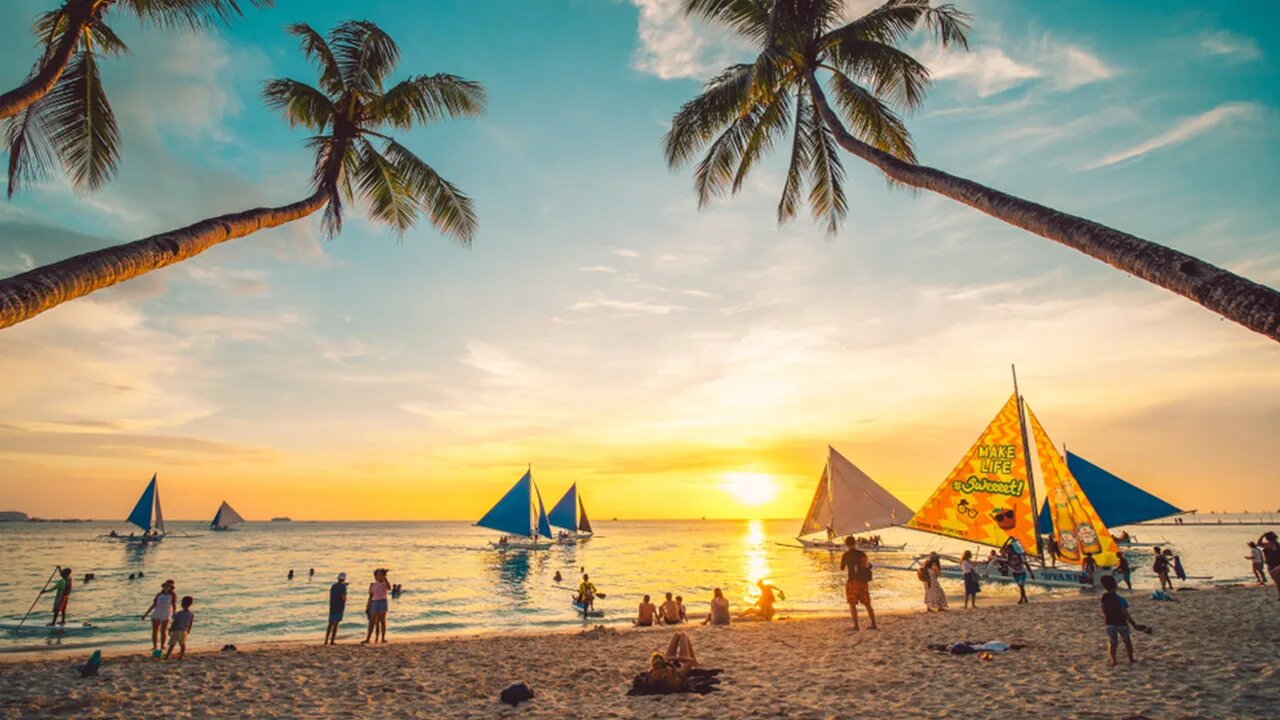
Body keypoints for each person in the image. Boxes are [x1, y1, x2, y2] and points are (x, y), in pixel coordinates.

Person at [1100, 575, 1144, 666]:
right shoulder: (1120, 599)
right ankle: (1131, 659)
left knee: (1113, 643)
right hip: (1121, 622)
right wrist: (1133, 623)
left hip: (1110, 623)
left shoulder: (1104, 598)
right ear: (1116, 586)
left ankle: (1114, 660)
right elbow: (1125, 613)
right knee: (1127, 641)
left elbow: (1103, 610)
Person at [841, 536, 877, 629]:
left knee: (852, 604)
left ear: (846, 544)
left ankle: (856, 625)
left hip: (852, 581)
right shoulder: (862, 554)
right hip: (862, 582)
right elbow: (866, 565)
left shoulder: (845, 555)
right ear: (855, 543)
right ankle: (873, 624)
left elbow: (842, 568)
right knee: (867, 603)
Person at [142, 580, 178, 651]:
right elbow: (154, 605)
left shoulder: (172, 595)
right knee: (155, 631)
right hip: (157, 613)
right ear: (163, 586)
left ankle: (162, 646)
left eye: (168, 586)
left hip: (166, 613)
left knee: (163, 631)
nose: (167, 587)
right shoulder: (159, 595)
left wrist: (174, 613)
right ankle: (155, 646)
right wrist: (146, 614)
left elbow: (174, 605)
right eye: (165, 586)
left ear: (171, 587)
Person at [363, 568, 391, 644]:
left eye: (381, 575)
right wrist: (368, 606)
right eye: (378, 575)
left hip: (382, 602)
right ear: (375, 576)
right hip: (374, 602)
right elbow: (370, 596)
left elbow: (389, 588)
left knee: (382, 621)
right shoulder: (372, 585)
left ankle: (383, 638)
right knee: (372, 621)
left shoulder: (385, 583)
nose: (380, 576)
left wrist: (385, 578)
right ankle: (368, 639)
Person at [325, 572, 348, 645]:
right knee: (336, 624)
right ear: (344, 579)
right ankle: (332, 640)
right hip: (339, 607)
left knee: (330, 624)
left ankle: (326, 640)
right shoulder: (343, 587)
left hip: (332, 607)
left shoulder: (333, 586)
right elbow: (343, 598)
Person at [1258, 531, 1280, 600]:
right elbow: (1258, 544)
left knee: (1278, 581)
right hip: (1270, 565)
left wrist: (1263, 534)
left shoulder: (1276, 545)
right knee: (1277, 582)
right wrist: (1263, 535)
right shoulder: (1267, 545)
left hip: (1277, 565)